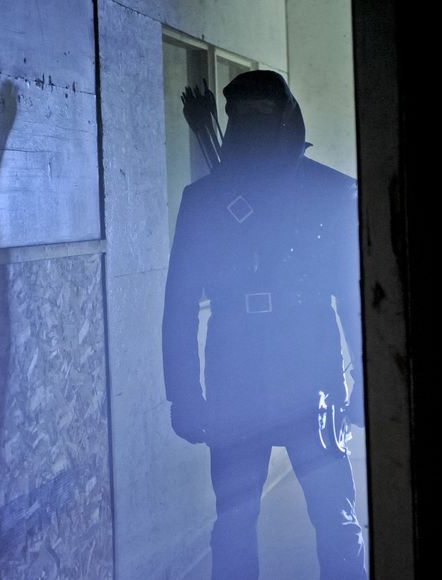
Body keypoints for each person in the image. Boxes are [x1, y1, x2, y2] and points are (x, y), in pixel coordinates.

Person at [162, 70, 367, 580]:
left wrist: (367, 384)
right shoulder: (207, 200)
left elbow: (354, 295)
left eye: (263, 116)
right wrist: (183, 395)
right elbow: (180, 306)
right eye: (243, 117)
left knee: (336, 522)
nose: (252, 127)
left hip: (311, 380)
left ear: (288, 119)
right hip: (238, 385)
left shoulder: (331, 193)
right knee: (232, 527)